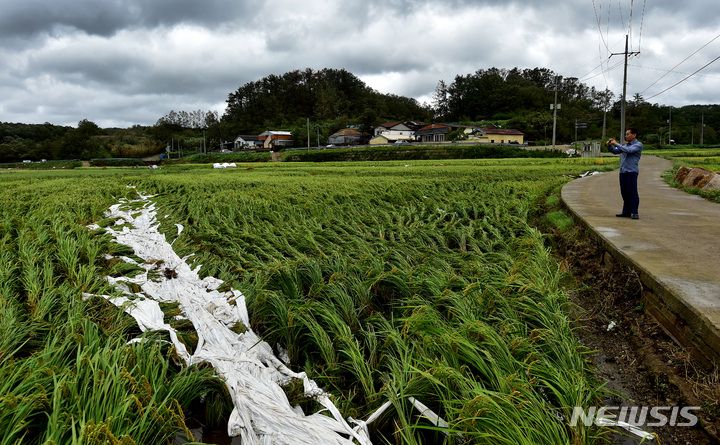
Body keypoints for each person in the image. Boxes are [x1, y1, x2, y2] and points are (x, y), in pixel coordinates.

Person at [607, 127, 643, 219]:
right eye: (626, 134)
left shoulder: (638, 145)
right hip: (623, 172)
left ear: (634, 135)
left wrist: (617, 144)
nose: (626, 136)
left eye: (628, 134)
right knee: (624, 193)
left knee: (632, 192)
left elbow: (629, 151)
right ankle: (626, 211)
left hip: (631, 171)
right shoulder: (626, 145)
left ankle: (634, 212)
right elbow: (616, 151)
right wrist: (610, 146)